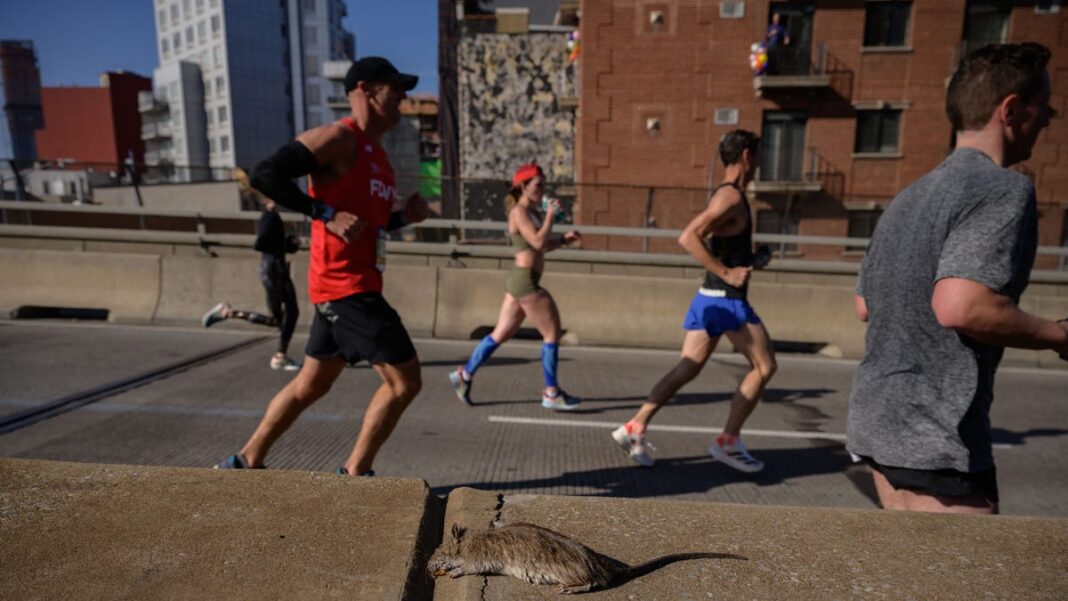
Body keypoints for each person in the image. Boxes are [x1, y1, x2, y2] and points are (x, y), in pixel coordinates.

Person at [848, 43, 1067, 514]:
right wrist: (1058, 334)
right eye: (1043, 108)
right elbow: (960, 306)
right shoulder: (1004, 188)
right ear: (1010, 110)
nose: (1049, 120)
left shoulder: (908, 196)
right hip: (937, 439)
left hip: (876, 426)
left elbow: (864, 305)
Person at [213, 56, 430, 476]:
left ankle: (245, 459)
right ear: (365, 89)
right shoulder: (338, 138)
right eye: (395, 87)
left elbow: (372, 226)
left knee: (311, 385)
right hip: (347, 288)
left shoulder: (380, 160)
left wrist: (407, 218)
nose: (403, 96)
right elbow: (265, 174)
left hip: (352, 286)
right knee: (406, 382)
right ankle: (354, 473)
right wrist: (323, 212)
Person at [611, 130, 776, 471]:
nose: (760, 163)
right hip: (726, 300)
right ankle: (728, 442)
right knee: (765, 366)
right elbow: (689, 237)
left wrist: (750, 260)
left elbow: (721, 245)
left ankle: (635, 426)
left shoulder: (729, 196)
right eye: (758, 156)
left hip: (709, 296)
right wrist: (727, 273)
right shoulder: (730, 197)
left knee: (687, 367)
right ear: (747, 156)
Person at [448, 163, 584, 410]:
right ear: (524, 186)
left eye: (544, 184)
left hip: (521, 280)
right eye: (538, 185)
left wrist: (563, 240)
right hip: (525, 282)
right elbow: (537, 242)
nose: (543, 190)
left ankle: (464, 375)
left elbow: (540, 245)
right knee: (552, 334)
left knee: (500, 334)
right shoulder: (519, 213)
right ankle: (551, 392)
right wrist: (552, 216)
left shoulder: (532, 212)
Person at [202, 168, 302, 371]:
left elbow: (270, 243)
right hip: (274, 270)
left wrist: (289, 244)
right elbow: (261, 243)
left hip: (274, 269)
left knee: (280, 318)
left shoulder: (271, 216)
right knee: (290, 313)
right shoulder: (269, 217)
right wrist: (284, 244)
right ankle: (280, 356)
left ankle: (228, 313)